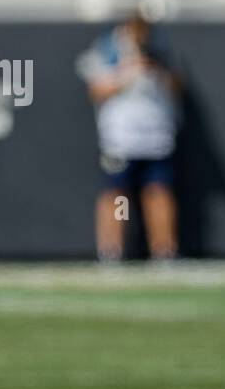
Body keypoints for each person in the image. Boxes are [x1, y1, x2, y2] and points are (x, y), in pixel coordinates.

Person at [76, 15, 182, 261]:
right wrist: (127, 73)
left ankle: (164, 250)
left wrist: (155, 69)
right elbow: (97, 90)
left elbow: (178, 86)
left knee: (158, 192)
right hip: (121, 138)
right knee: (118, 195)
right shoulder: (108, 50)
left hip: (157, 136)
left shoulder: (161, 52)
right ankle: (112, 250)